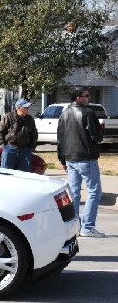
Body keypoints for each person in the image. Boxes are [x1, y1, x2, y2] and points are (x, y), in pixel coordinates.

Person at [57, 86, 105, 237]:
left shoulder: (64, 114)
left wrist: (62, 159)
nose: (89, 98)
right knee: (94, 191)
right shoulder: (88, 112)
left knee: (74, 193)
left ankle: (75, 227)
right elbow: (96, 137)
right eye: (86, 95)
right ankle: (88, 227)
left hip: (70, 158)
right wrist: (100, 131)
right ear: (78, 97)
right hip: (86, 158)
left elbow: (60, 139)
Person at [0, 99, 38, 172]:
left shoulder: (30, 119)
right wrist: (3, 145)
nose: (27, 109)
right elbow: (0, 132)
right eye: (25, 107)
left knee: (25, 174)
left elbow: (34, 134)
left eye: (28, 107)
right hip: (10, 149)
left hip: (25, 150)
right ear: (18, 108)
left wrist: (31, 147)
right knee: (6, 172)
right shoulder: (8, 117)